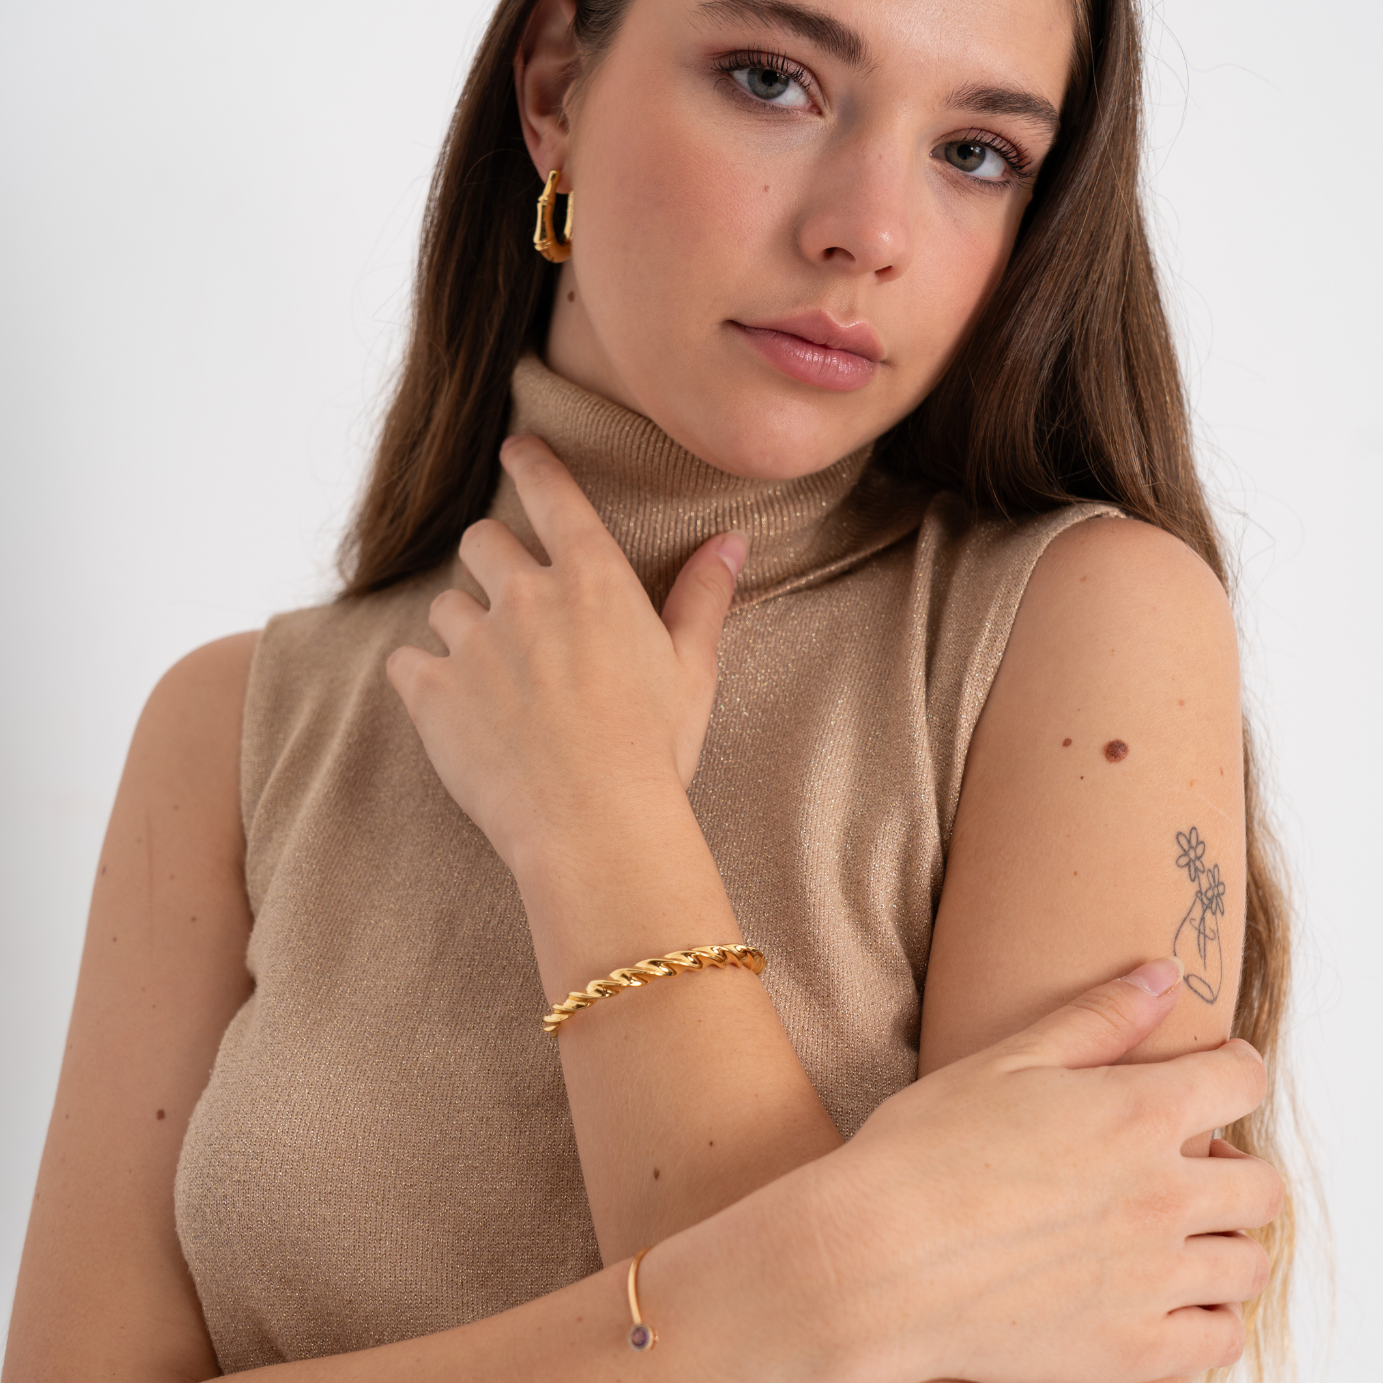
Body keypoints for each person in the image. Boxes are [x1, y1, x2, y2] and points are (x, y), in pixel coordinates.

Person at [3, 0, 1291, 1379]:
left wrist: (600, 825)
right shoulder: (236, 725)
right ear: (556, 84)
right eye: (773, 79)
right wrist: (802, 1297)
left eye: (975, 153)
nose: (869, 231)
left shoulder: (1078, 626)